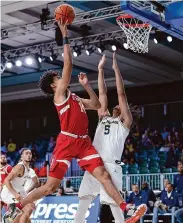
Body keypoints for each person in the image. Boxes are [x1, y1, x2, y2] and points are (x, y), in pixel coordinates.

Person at [5, 19, 146, 223]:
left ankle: (127, 211)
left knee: (104, 176)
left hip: (84, 143)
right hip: (67, 141)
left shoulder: (75, 98)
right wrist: (65, 34)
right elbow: (69, 64)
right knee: (50, 187)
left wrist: (87, 85)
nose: (60, 78)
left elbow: (97, 105)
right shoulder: (59, 96)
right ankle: (16, 206)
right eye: (57, 77)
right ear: (54, 86)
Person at [74, 54, 147, 223]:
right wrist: (99, 69)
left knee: (114, 204)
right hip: (94, 162)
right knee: (84, 200)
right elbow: (102, 94)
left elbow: (121, 94)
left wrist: (115, 70)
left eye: (119, 106)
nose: (116, 105)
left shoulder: (125, 123)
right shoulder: (104, 117)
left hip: (110, 163)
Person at [1, 149, 36, 223]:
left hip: (18, 190)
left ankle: (10, 217)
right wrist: (15, 194)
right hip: (8, 192)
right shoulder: (19, 167)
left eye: (30, 153)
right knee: (27, 209)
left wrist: (27, 196)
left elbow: (21, 186)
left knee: (29, 210)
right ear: (22, 156)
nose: (29, 155)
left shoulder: (29, 169)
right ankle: (8, 218)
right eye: (26, 153)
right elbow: (6, 181)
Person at [0, 153, 12, 222]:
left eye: (4, 157)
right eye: (1, 157)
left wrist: (4, 185)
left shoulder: (8, 167)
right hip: (0, 191)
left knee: (9, 210)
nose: (3, 158)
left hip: (7, 191)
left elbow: (13, 179)